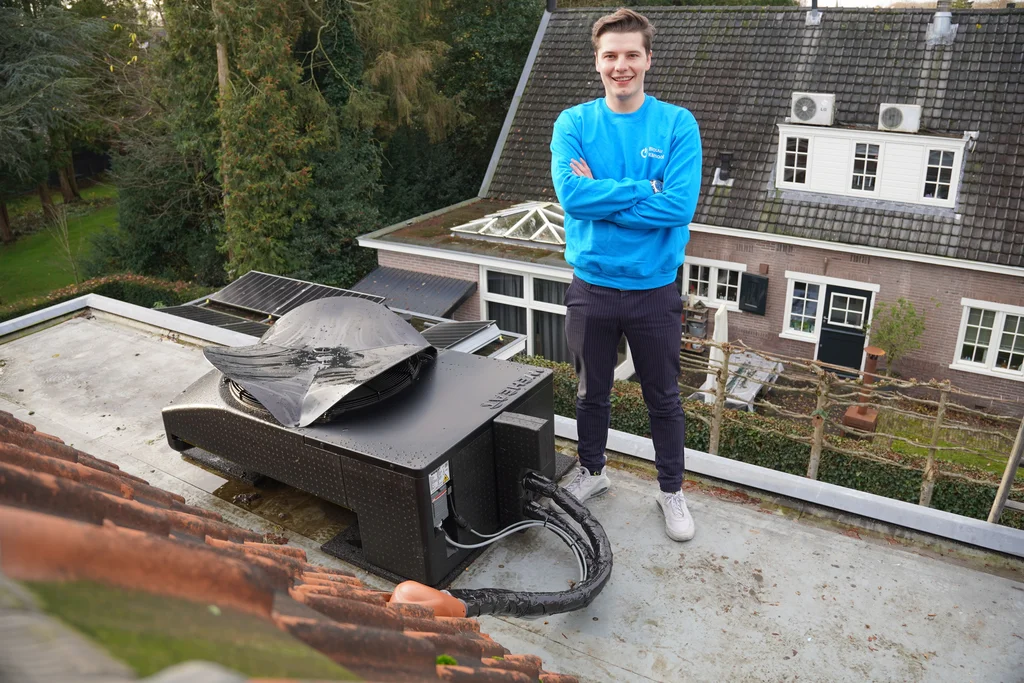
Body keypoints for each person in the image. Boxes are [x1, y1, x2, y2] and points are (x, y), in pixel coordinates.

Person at [549, 7, 702, 541]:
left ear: (648, 60)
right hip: (591, 286)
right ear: (597, 62)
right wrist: (645, 188)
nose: (621, 66)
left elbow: (679, 207)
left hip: (654, 289)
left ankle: (671, 490)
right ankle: (592, 471)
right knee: (591, 391)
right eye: (610, 55)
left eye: (631, 54)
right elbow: (573, 197)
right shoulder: (573, 123)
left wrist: (604, 196)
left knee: (664, 397)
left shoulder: (677, 124)